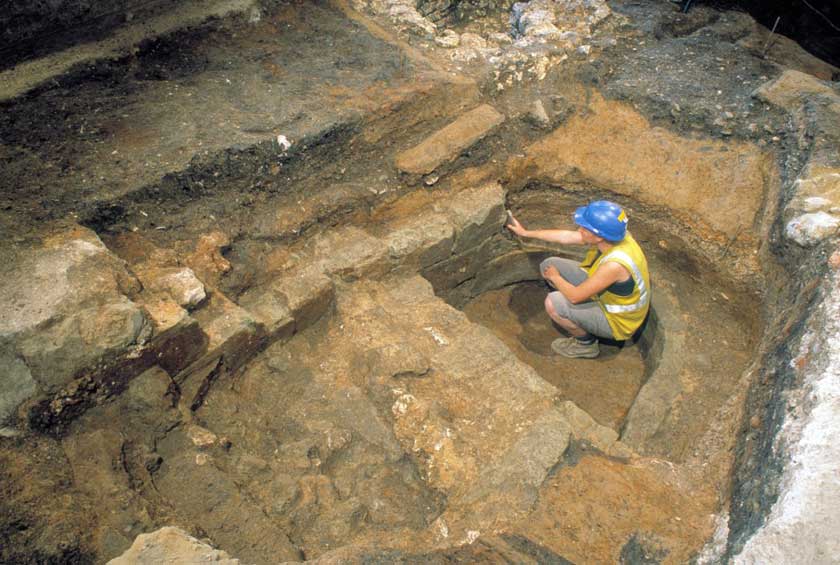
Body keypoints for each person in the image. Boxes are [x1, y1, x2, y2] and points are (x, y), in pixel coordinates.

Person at [506, 200, 650, 359]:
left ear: (598, 237)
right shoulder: (615, 236)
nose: (579, 230)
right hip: (604, 296)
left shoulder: (614, 266)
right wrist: (526, 233)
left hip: (617, 321)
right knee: (549, 264)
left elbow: (575, 297)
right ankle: (574, 315)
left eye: (584, 228)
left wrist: (556, 277)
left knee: (553, 303)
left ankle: (586, 345)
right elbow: (566, 237)